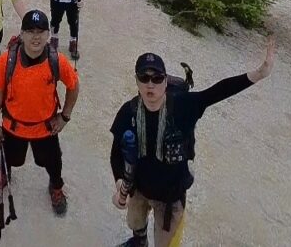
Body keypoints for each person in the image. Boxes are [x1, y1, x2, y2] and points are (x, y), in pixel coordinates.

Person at [109, 38, 276, 246]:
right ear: (137, 81)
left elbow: (218, 91)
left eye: (157, 78)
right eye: (144, 77)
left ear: (166, 81)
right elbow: (116, 153)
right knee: (135, 222)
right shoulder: (128, 112)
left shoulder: (184, 107)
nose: (150, 84)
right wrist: (119, 185)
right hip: (138, 189)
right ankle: (139, 242)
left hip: (170, 197)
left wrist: (259, 73)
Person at [0, 10, 80, 216]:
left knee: (54, 161)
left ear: (48, 35)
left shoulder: (57, 60)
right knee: (6, 157)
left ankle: (56, 186)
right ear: (21, 34)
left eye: (40, 31)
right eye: (30, 31)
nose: (35, 37)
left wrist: (65, 116)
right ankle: (3, 175)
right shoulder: (5, 61)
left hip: (45, 128)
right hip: (13, 127)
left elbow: (73, 86)